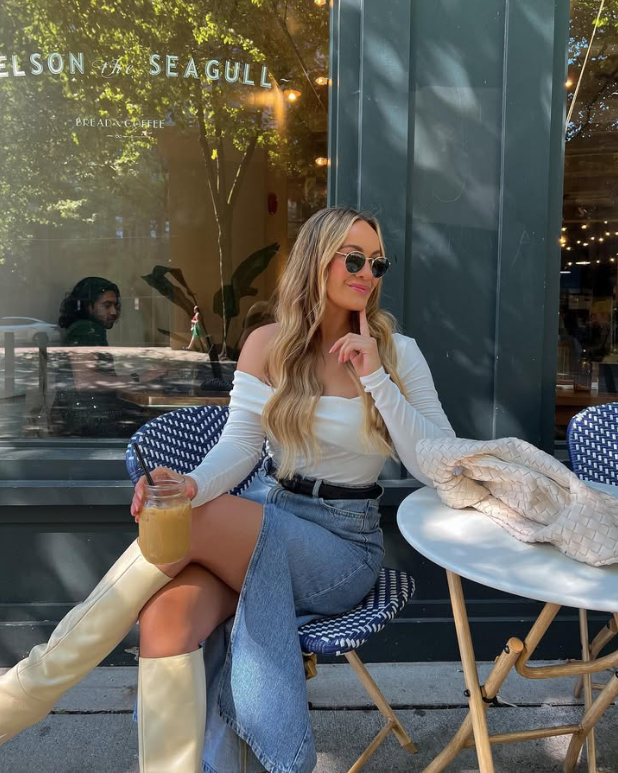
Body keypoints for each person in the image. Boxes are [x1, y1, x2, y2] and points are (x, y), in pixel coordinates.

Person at [0, 207, 456, 772]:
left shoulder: (397, 353)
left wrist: (376, 380)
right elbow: (240, 448)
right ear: (316, 261)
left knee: (196, 520)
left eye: (377, 262)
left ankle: (24, 692)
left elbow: (438, 461)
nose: (367, 273)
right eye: (354, 258)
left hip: (340, 546)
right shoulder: (268, 344)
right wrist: (193, 482)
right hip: (267, 512)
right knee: (166, 614)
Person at [53, 277, 165, 436]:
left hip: (84, 418)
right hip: (91, 422)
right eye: (106, 306)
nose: (113, 312)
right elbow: (86, 382)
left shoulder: (84, 328)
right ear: (88, 306)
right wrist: (138, 378)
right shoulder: (87, 329)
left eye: (115, 305)